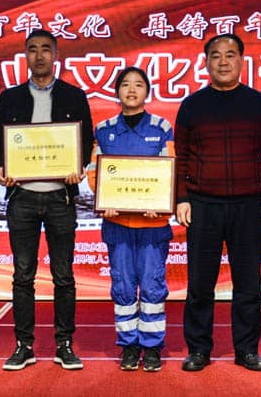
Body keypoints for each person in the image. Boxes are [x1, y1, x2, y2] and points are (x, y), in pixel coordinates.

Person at [174, 33, 261, 372]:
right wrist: (181, 198)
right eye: (216, 56)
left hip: (247, 205)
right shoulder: (192, 105)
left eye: (230, 55)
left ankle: (246, 350)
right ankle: (198, 349)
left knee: (248, 283)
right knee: (200, 284)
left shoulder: (258, 103)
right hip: (202, 205)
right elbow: (181, 158)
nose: (223, 62)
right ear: (206, 62)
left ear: (241, 61)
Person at [0, 29, 93, 371]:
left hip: (61, 198)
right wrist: (1, 167)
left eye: (46, 49)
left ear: (56, 55)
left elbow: (86, 141)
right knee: (23, 275)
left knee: (63, 276)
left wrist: (78, 167)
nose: (39, 55)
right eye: (32, 49)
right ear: (25, 56)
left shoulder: (74, 96)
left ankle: (64, 344)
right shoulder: (11, 98)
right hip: (22, 198)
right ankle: (24, 346)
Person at [87, 67, 175, 372]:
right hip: (117, 225)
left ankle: (151, 347)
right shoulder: (103, 129)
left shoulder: (162, 127)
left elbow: (169, 172)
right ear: (117, 92)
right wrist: (105, 202)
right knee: (123, 286)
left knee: (152, 287)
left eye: (139, 84)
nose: (132, 89)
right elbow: (95, 174)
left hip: (153, 226)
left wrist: (160, 205)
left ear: (147, 91)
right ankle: (129, 345)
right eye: (126, 84)